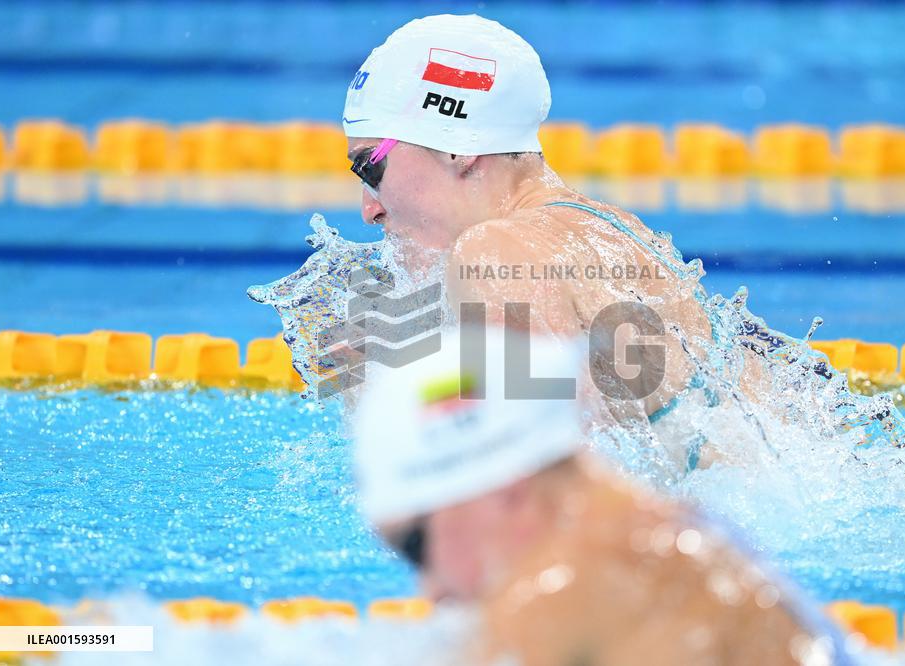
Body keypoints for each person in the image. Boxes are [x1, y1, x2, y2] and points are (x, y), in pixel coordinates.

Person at [341, 14, 748, 473]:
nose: (368, 209)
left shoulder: (493, 251)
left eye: (370, 168)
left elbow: (537, 488)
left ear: (457, 145)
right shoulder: (609, 228)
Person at [354, 327, 854, 666]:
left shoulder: (560, 593)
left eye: (416, 546)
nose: (429, 590)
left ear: (503, 491)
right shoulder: (668, 538)